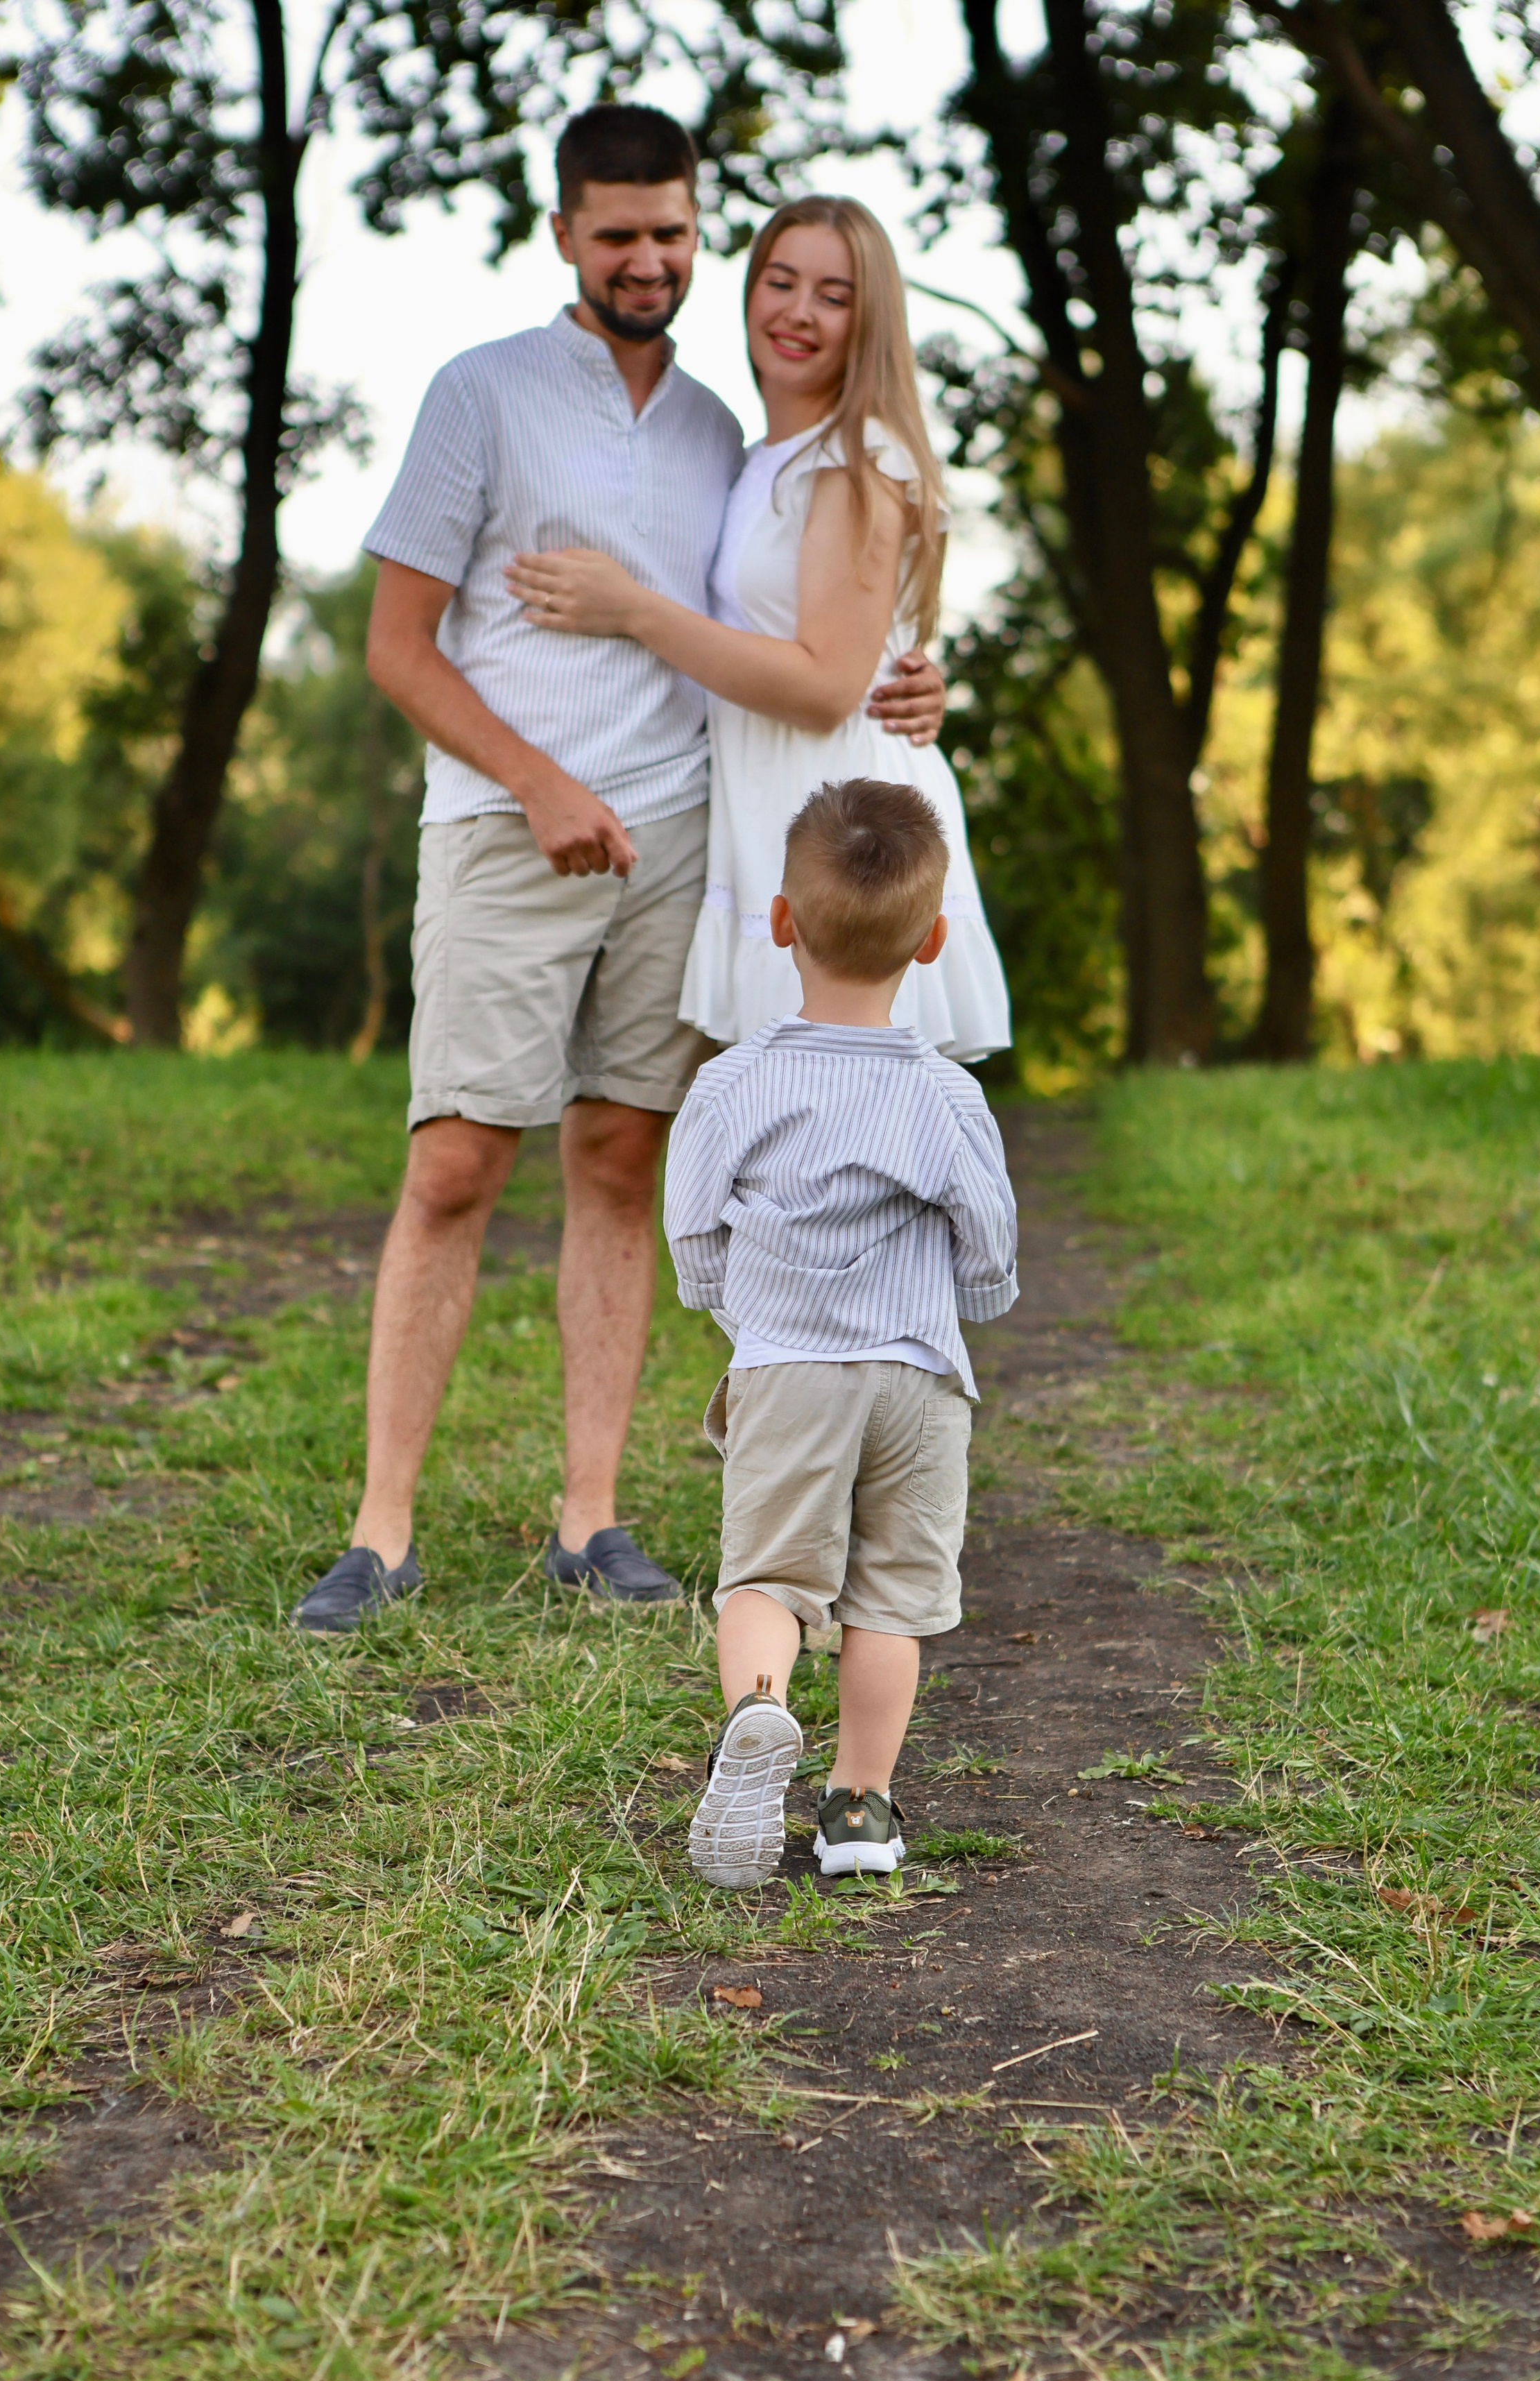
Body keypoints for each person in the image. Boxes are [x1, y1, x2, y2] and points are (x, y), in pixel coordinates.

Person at [291, 108, 946, 1634]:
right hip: (505, 831)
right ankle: (380, 1530)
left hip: (683, 847)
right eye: (614, 234)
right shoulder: (481, 397)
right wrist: (537, 784)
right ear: (564, 237)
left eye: (669, 231)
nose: (645, 259)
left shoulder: (730, 430)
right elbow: (397, 647)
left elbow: (806, 617)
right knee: (455, 1161)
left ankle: (588, 1520)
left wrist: (911, 682)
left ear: (691, 228)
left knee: (618, 1162)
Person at [507, 194, 1011, 1062]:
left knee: (844, 1148)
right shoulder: (755, 459)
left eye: (834, 295)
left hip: (844, 828)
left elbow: (823, 689)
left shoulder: (856, 460)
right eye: (780, 282)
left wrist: (631, 608)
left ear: (869, 321)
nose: (798, 313)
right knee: (779, 1145)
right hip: (767, 814)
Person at [663, 779, 1018, 1890]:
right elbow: (992, 1247)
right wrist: (971, 1302)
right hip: (917, 1380)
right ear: (933, 941)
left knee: (768, 1575)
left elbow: (691, 1236)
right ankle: (860, 1810)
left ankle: (759, 1716)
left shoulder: (733, 1084)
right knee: (893, 1600)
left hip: (788, 1370)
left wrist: (749, 1316)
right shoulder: (949, 1097)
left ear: (781, 922)